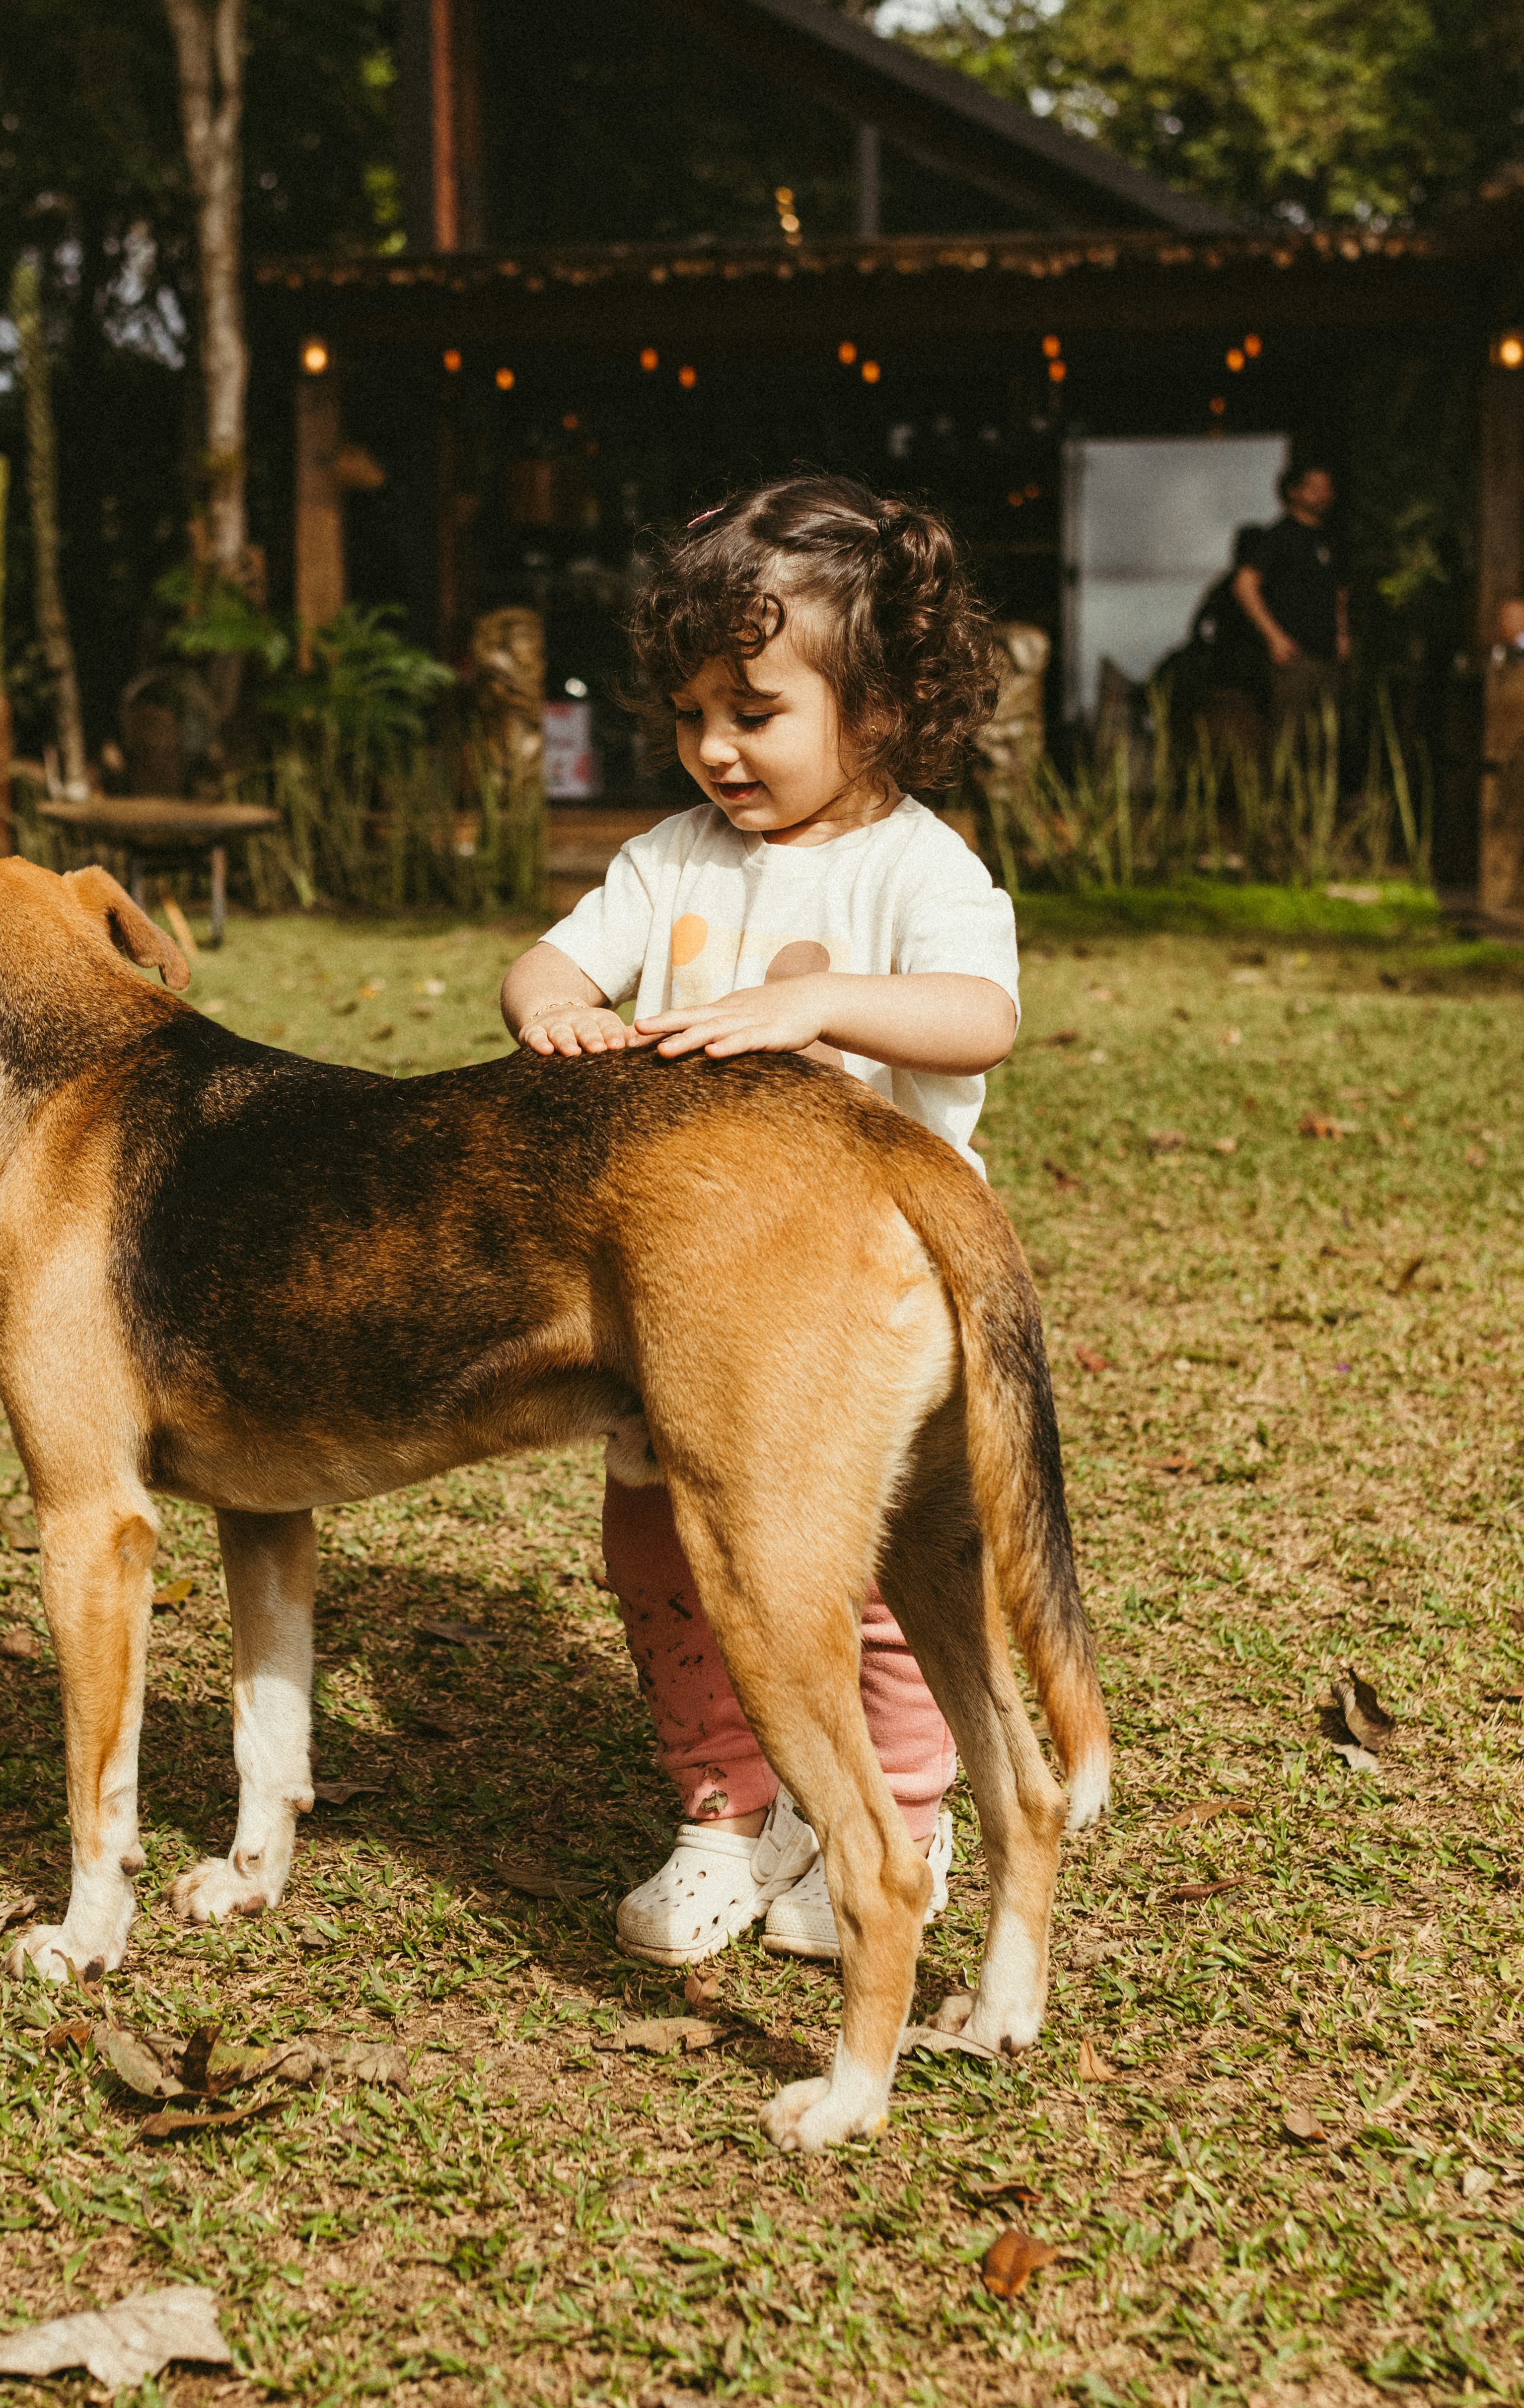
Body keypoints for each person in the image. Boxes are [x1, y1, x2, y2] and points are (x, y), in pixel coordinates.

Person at [496, 473, 1021, 1967]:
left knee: (875, 1578)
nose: (716, 747)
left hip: (865, 1303)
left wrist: (822, 1000)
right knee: (665, 1550)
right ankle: (725, 1806)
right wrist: (563, 1010)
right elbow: (544, 962)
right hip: (685, 1309)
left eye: (755, 709)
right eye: (689, 715)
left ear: (881, 703)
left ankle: (899, 1814)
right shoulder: (668, 859)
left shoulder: (918, 863)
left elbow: (980, 1016)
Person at [1225, 461, 1351, 742]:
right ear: (1294, 492)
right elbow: (1244, 585)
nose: (1322, 495)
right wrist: (1275, 638)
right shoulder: (1279, 537)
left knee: (1327, 741)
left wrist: (1343, 634)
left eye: (1327, 488)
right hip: (1295, 658)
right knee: (1290, 741)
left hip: (1328, 655)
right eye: (1314, 488)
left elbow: (1340, 592)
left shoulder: (1330, 539)